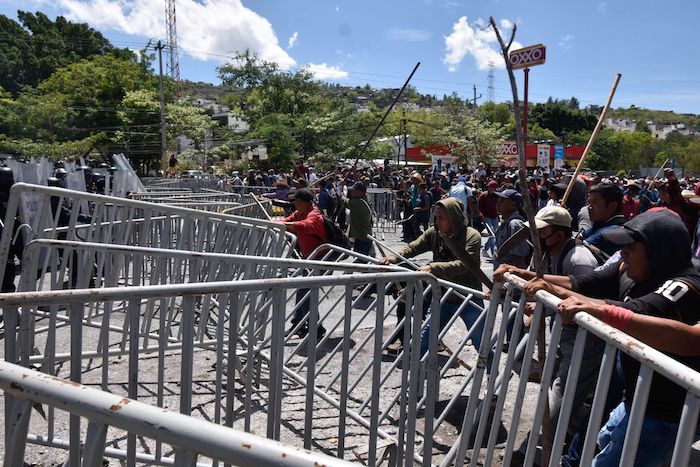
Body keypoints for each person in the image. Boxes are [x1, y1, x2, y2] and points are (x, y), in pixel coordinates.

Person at [521, 208, 700, 467]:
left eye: (631, 246)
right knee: (588, 446)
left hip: (661, 415)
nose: (623, 253)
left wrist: (588, 306)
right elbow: (584, 282)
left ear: (658, 251)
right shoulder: (631, 269)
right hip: (632, 399)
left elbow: (638, 311)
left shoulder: (685, 285)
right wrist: (536, 278)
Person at [493, 206, 601, 433]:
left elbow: (583, 301)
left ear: (559, 235)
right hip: (566, 334)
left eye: (541, 232)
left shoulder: (578, 259)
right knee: (563, 387)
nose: (535, 238)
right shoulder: (544, 254)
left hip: (586, 340)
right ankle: (576, 434)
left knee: (563, 394)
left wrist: (544, 309)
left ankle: (538, 446)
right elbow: (539, 288)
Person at [379, 198, 487, 357]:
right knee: (424, 340)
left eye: (441, 218)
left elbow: (464, 265)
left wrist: (433, 267)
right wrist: (394, 258)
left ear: (454, 218)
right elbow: (414, 247)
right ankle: (413, 376)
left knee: (481, 343)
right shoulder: (435, 233)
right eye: (436, 217)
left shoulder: (472, 236)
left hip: (468, 297)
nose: (437, 221)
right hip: (443, 297)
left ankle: (494, 374)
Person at [280, 188, 328, 339]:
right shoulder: (299, 213)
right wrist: (275, 223)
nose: (294, 203)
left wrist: (287, 225)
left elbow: (304, 226)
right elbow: (288, 221)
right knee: (303, 291)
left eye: (295, 200)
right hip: (308, 259)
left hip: (320, 260)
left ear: (301, 202)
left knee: (308, 293)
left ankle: (315, 326)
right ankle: (300, 323)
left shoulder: (315, 215)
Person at [581, 183, 626, 257]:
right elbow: (581, 236)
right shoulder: (601, 222)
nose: (589, 207)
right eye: (589, 202)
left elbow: (576, 248)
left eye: (595, 203)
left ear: (612, 206)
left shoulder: (609, 233)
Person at [494, 189, 531, 269]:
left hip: (509, 276)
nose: (498, 204)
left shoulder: (515, 224)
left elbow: (519, 258)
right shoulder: (505, 223)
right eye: (498, 201)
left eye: (502, 201)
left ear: (513, 205)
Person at [347, 181, 374, 258]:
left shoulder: (359, 203)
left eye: (354, 190)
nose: (352, 192)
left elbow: (345, 202)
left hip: (363, 237)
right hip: (362, 235)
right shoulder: (365, 197)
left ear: (360, 192)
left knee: (360, 260)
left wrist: (340, 192)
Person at [477, 180, 499, 258]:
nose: (492, 189)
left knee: (494, 235)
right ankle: (494, 254)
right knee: (492, 234)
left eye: (494, 187)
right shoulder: (483, 196)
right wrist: (481, 215)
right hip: (487, 217)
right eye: (491, 187)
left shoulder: (496, 195)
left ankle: (485, 249)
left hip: (495, 217)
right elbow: (479, 207)